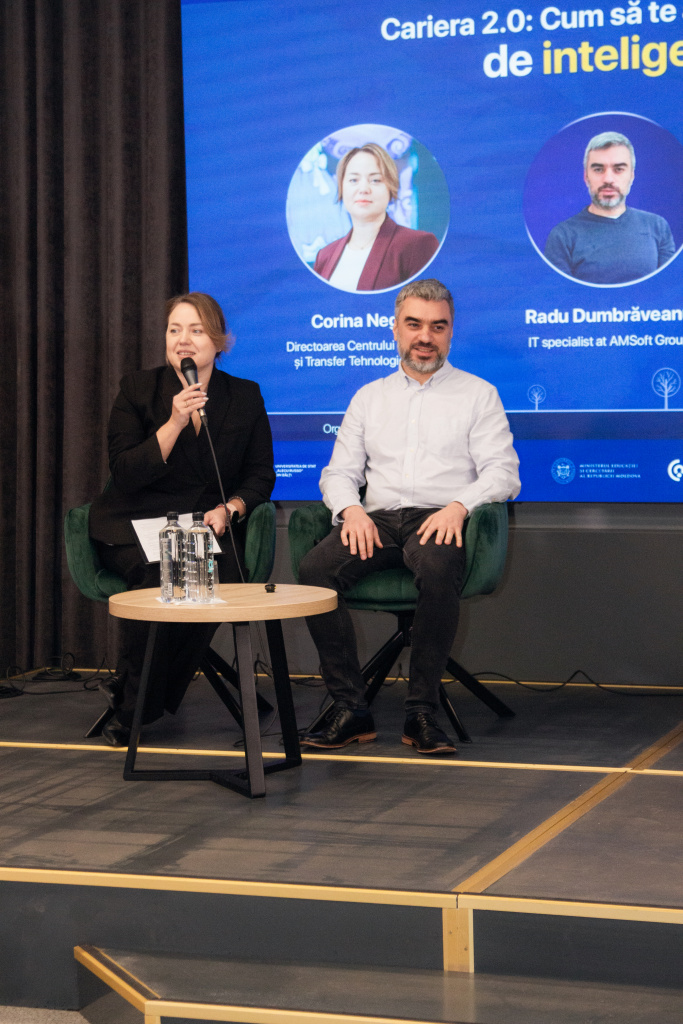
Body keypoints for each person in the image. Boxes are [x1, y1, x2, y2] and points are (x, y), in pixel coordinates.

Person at [298, 279, 520, 755]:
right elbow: (338, 473)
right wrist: (351, 510)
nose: (425, 336)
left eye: (438, 327)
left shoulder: (478, 394)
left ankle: (421, 713)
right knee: (315, 571)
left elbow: (503, 473)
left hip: (438, 517)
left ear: (451, 332)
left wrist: (459, 507)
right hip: (375, 520)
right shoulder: (369, 397)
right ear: (395, 329)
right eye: (414, 324)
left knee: (438, 567)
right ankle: (350, 708)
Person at [89, 292, 275, 746]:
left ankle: (134, 698)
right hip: (135, 525)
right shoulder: (138, 389)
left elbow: (260, 474)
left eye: (196, 330)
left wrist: (230, 508)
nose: (183, 340)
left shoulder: (244, 396)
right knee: (163, 574)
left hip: (204, 528)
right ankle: (136, 707)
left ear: (219, 341)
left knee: (214, 575)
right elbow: (125, 473)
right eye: (175, 330)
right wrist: (173, 422)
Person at [544, 131, 675, 285]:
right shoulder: (562, 236)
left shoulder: (657, 226)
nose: (608, 179)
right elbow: (560, 295)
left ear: (631, 176)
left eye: (618, 169)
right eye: (598, 169)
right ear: (586, 177)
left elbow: (670, 288)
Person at [313, 142, 439, 292]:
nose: (363, 189)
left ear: (391, 187)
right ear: (341, 188)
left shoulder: (417, 245)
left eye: (375, 180)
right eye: (353, 180)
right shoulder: (324, 256)